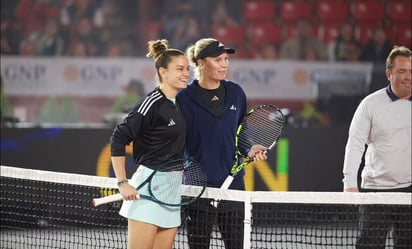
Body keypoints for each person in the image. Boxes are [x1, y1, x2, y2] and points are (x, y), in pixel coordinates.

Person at [177, 38, 267, 249]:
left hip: (233, 186)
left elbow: (242, 133)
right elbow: (176, 140)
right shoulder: (184, 98)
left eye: (226, 59)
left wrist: (250, 148)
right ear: (200, 63)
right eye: (218, 60)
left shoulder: (236, 93)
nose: (224, 64)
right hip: (197, 188)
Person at [110, 39, 190, 249]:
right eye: (179, 69)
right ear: (163, 72)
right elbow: (119, 137)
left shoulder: (178, 104)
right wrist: (122, 182)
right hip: (148, 189)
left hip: (172, 190)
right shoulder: (151, 102)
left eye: (187, 69)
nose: (186, 73)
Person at [342, 45, 411, 249]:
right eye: (402, 71)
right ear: (389, 74)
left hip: (409, 192)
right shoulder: (369, 105)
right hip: (375, 192)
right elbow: (354, 145)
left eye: (411, 71)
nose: (408, 76)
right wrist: (349, 184)